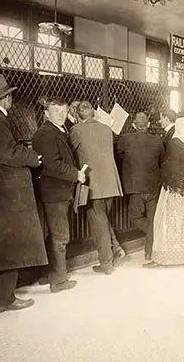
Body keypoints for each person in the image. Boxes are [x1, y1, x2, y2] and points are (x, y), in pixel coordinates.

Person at [0, 74, 47, 313]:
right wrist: (33, 157)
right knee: (12, 247)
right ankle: (4, 300)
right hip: (6, 194)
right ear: (6, 98)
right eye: (11, 96)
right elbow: (8, 153)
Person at [32, 97, 86, 293]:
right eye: (56, 112)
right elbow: (52, 165)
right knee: (60, 237)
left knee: (55, 236)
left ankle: (48, 274)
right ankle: (58, 280)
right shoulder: (46, 134)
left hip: (57, 192)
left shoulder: (57, 131)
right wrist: (76, 174)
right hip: (55, 192)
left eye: (63, 112)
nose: (61, 116)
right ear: (46, 113)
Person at [145, 117, 184, 268]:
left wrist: (162, 177)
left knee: (167, 223)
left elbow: (170, 168)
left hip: (174, 190)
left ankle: (167, 258)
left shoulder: (175, 143)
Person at [70, 101, 125, 275]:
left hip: (92, 184)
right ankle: (116, 248)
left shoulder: (76, 131)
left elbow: (70, 152)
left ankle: (106, 264)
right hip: (110, 183)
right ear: (94, 113)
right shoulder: (106, 129)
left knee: (98, 224)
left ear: (78, 116)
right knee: (102, 220)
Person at [116, 112, 164, 261]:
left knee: (136, 217)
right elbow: (162, 160)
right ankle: (149, 251)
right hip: (154, 186)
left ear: (133, 125)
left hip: (135, 186)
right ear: (148, 125)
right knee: (153, 219)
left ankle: (152, 241)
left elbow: (118, 156)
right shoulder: (157, 140)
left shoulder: (125, 139)